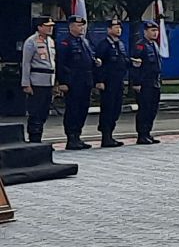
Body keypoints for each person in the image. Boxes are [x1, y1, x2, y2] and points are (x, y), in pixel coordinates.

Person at [57, 14, 99, 150]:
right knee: (73, 110)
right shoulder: (65, 43)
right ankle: (71, 137)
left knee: (82, 109)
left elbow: (89, 59)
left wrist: (95, 62)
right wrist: (62, 82)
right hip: (73, 82)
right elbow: (61, 63)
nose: (81, 28)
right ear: (71, 27)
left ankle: (78, 136)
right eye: (78, 25)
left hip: (86, 81)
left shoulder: (85, 42)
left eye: (82, 25)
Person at [20, 16, 57, 144]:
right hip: (36, 81)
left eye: (51, 26)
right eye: (47, 26)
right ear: (39, 27)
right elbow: (26, 63)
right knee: (35, 111)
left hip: (48, 81)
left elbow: (52, 63)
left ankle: (39, 136)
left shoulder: (51, 41)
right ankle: (34, 138)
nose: (50, 28)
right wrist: (26, 83)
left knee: (44, 111)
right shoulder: (31, 41)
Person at [94, 18, 129, 148]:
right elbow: (99, 64)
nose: (118, 29)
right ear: (109, 30)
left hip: (118, 81)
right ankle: (106, 136)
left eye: (119, 27)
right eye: (115, 27)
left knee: (116, 109)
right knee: (108, 109)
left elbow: (123, 61)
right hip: (108, 82)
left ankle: (111, 134)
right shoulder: (104, 45)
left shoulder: (120, 44)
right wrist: (99, 81)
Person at [130, 21, 163, 145]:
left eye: (156, 31)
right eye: (152, 31)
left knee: (152, 109)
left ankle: (148, 132)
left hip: (154, 81)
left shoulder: (154, 45)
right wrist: (137, 82)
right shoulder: (140, 46)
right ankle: (142, 134)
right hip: (145, 82)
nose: (155, 33)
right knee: (144, 109)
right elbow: (136, 65)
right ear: (145, 32)